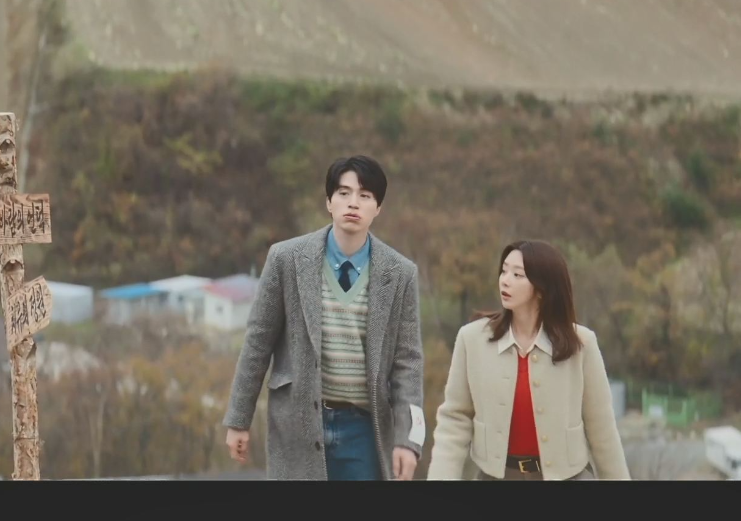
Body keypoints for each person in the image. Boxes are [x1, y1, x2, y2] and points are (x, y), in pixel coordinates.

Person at [222, 155, 426, 480]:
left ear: (378, 207)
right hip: (297, 425)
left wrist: (408, 440)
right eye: (343, 193)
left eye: (365, 195)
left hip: (364, 431)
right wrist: (238, 419)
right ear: (329, 201)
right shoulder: (287, 259)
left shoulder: (400, 273)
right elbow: (258, 342)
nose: (353, 203)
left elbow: (408, 364)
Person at [427, 239, 630, 481]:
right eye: (504, 271)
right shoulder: (472, 339)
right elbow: (454, 419)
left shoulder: (581, 344)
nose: (505, 280)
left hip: (567, 476)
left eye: (517, 275)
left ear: (542, 289)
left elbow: (602, 430)